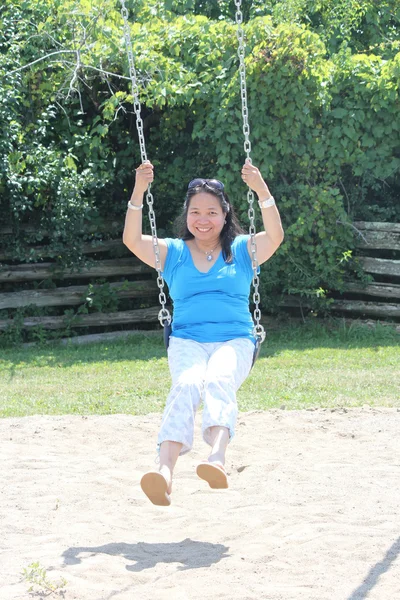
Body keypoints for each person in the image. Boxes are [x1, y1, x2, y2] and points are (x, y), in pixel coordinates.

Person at [123, 160, 284, 506]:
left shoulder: (241, 250)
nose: (203, 219)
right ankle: (164, 473)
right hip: (187, 340)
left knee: (218, 379)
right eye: (196, 211)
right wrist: (139, 189)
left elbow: (275, 236)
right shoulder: (174, 253)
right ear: (187, 215)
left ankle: (216, 459)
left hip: (236, 340)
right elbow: (132, 239)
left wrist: (262, 190)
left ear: (225, 215)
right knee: (187, 384)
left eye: (211, 211)